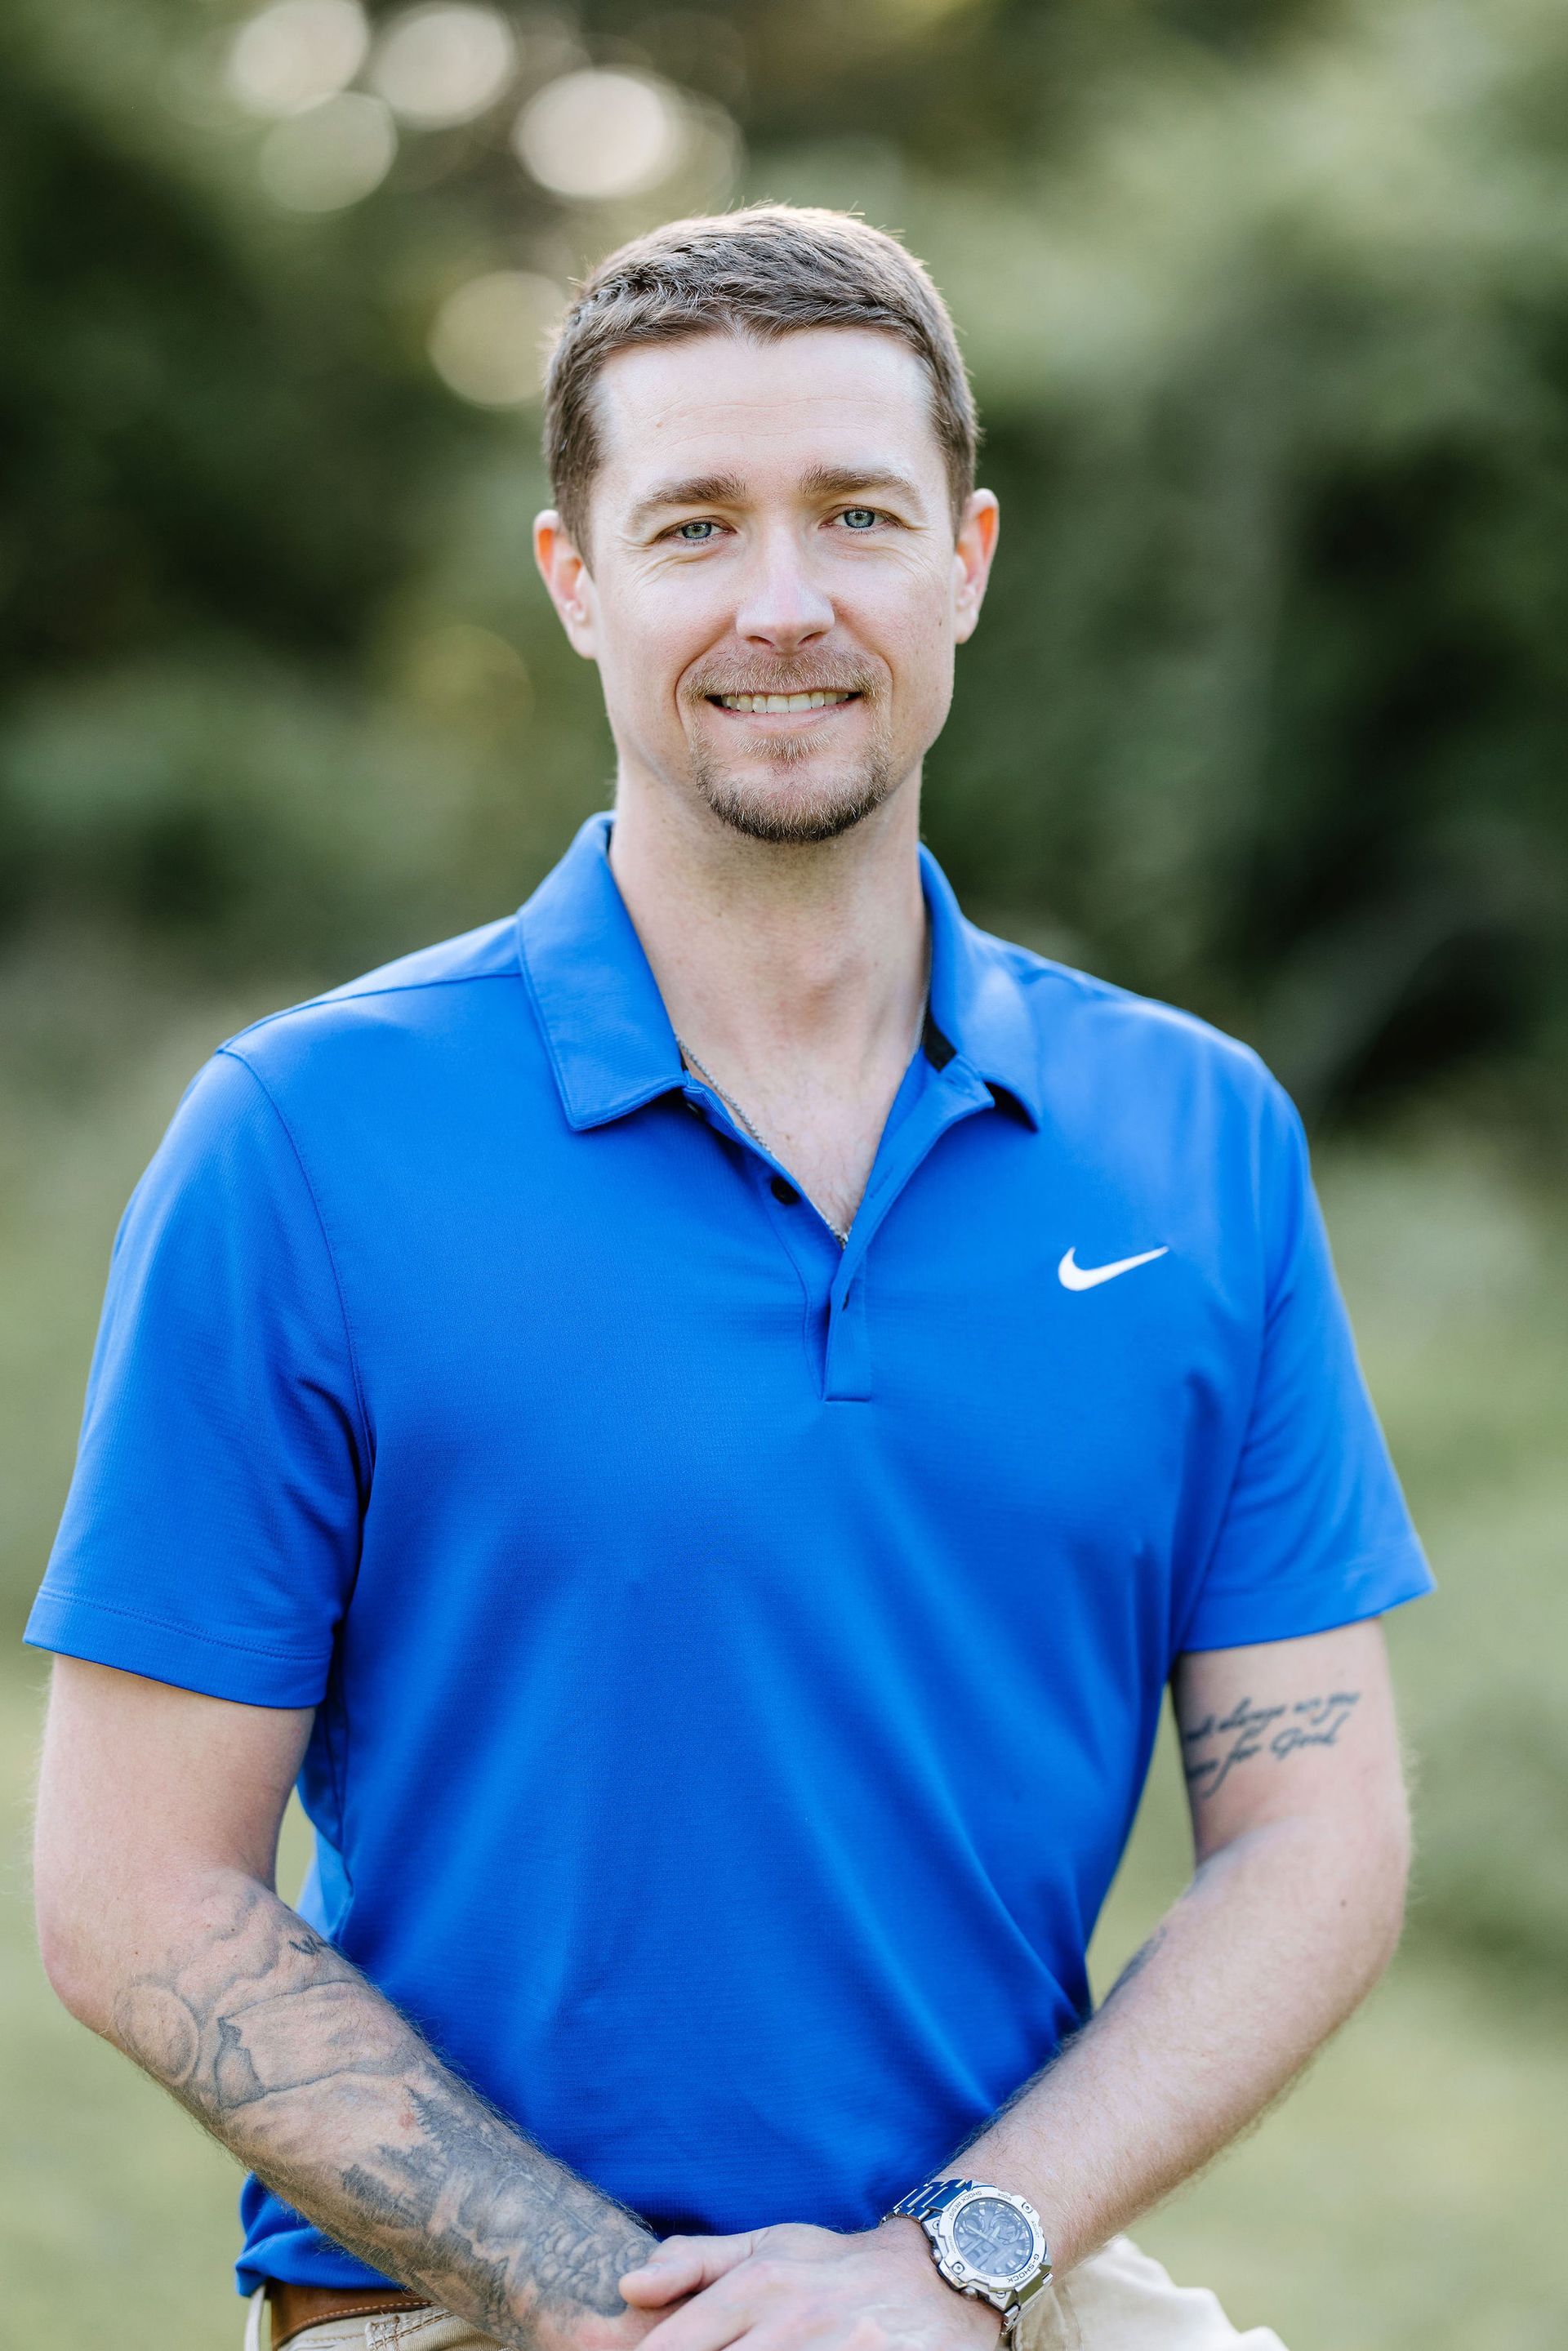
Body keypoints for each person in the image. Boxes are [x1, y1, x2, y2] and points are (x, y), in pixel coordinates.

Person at [28, 207, 1431, 2351]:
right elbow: (133, 1895)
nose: (787, 603)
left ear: (967, 561)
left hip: (988, 2281)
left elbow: (1315, 1833)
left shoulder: (1200, 1138)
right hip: (467, 2311)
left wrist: (951, 2262)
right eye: (695, 527)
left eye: (858, 514)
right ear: (575, 582)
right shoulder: (302, 1140)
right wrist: (634, 2317)